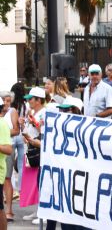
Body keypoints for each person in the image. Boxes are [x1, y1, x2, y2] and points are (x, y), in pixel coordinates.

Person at [21, 86, 47, 224]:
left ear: (38, 100)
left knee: (41, 181)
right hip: (30, 148)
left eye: (31, 99)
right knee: (34, 182)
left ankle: (43, 213)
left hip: (39, 150)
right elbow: (28, 130)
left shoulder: (45, 112)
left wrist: (33, 123)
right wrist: (23, 125)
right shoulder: (32, 112)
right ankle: (38, 210)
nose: (29, 101)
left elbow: (44, 131)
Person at [0, 92, 17, 222]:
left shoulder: (3, 123)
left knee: (0, 209)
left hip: (0, 169)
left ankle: (9, 212)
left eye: (8, 101)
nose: (7, 103)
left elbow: (8, 148)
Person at [9, 83, 26, 203]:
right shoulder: (25, 105)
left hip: (12, 134)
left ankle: (11, 189)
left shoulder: (10, 106)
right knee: (21, 164)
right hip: (22, 135)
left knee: (9, 164)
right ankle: (21, 190)